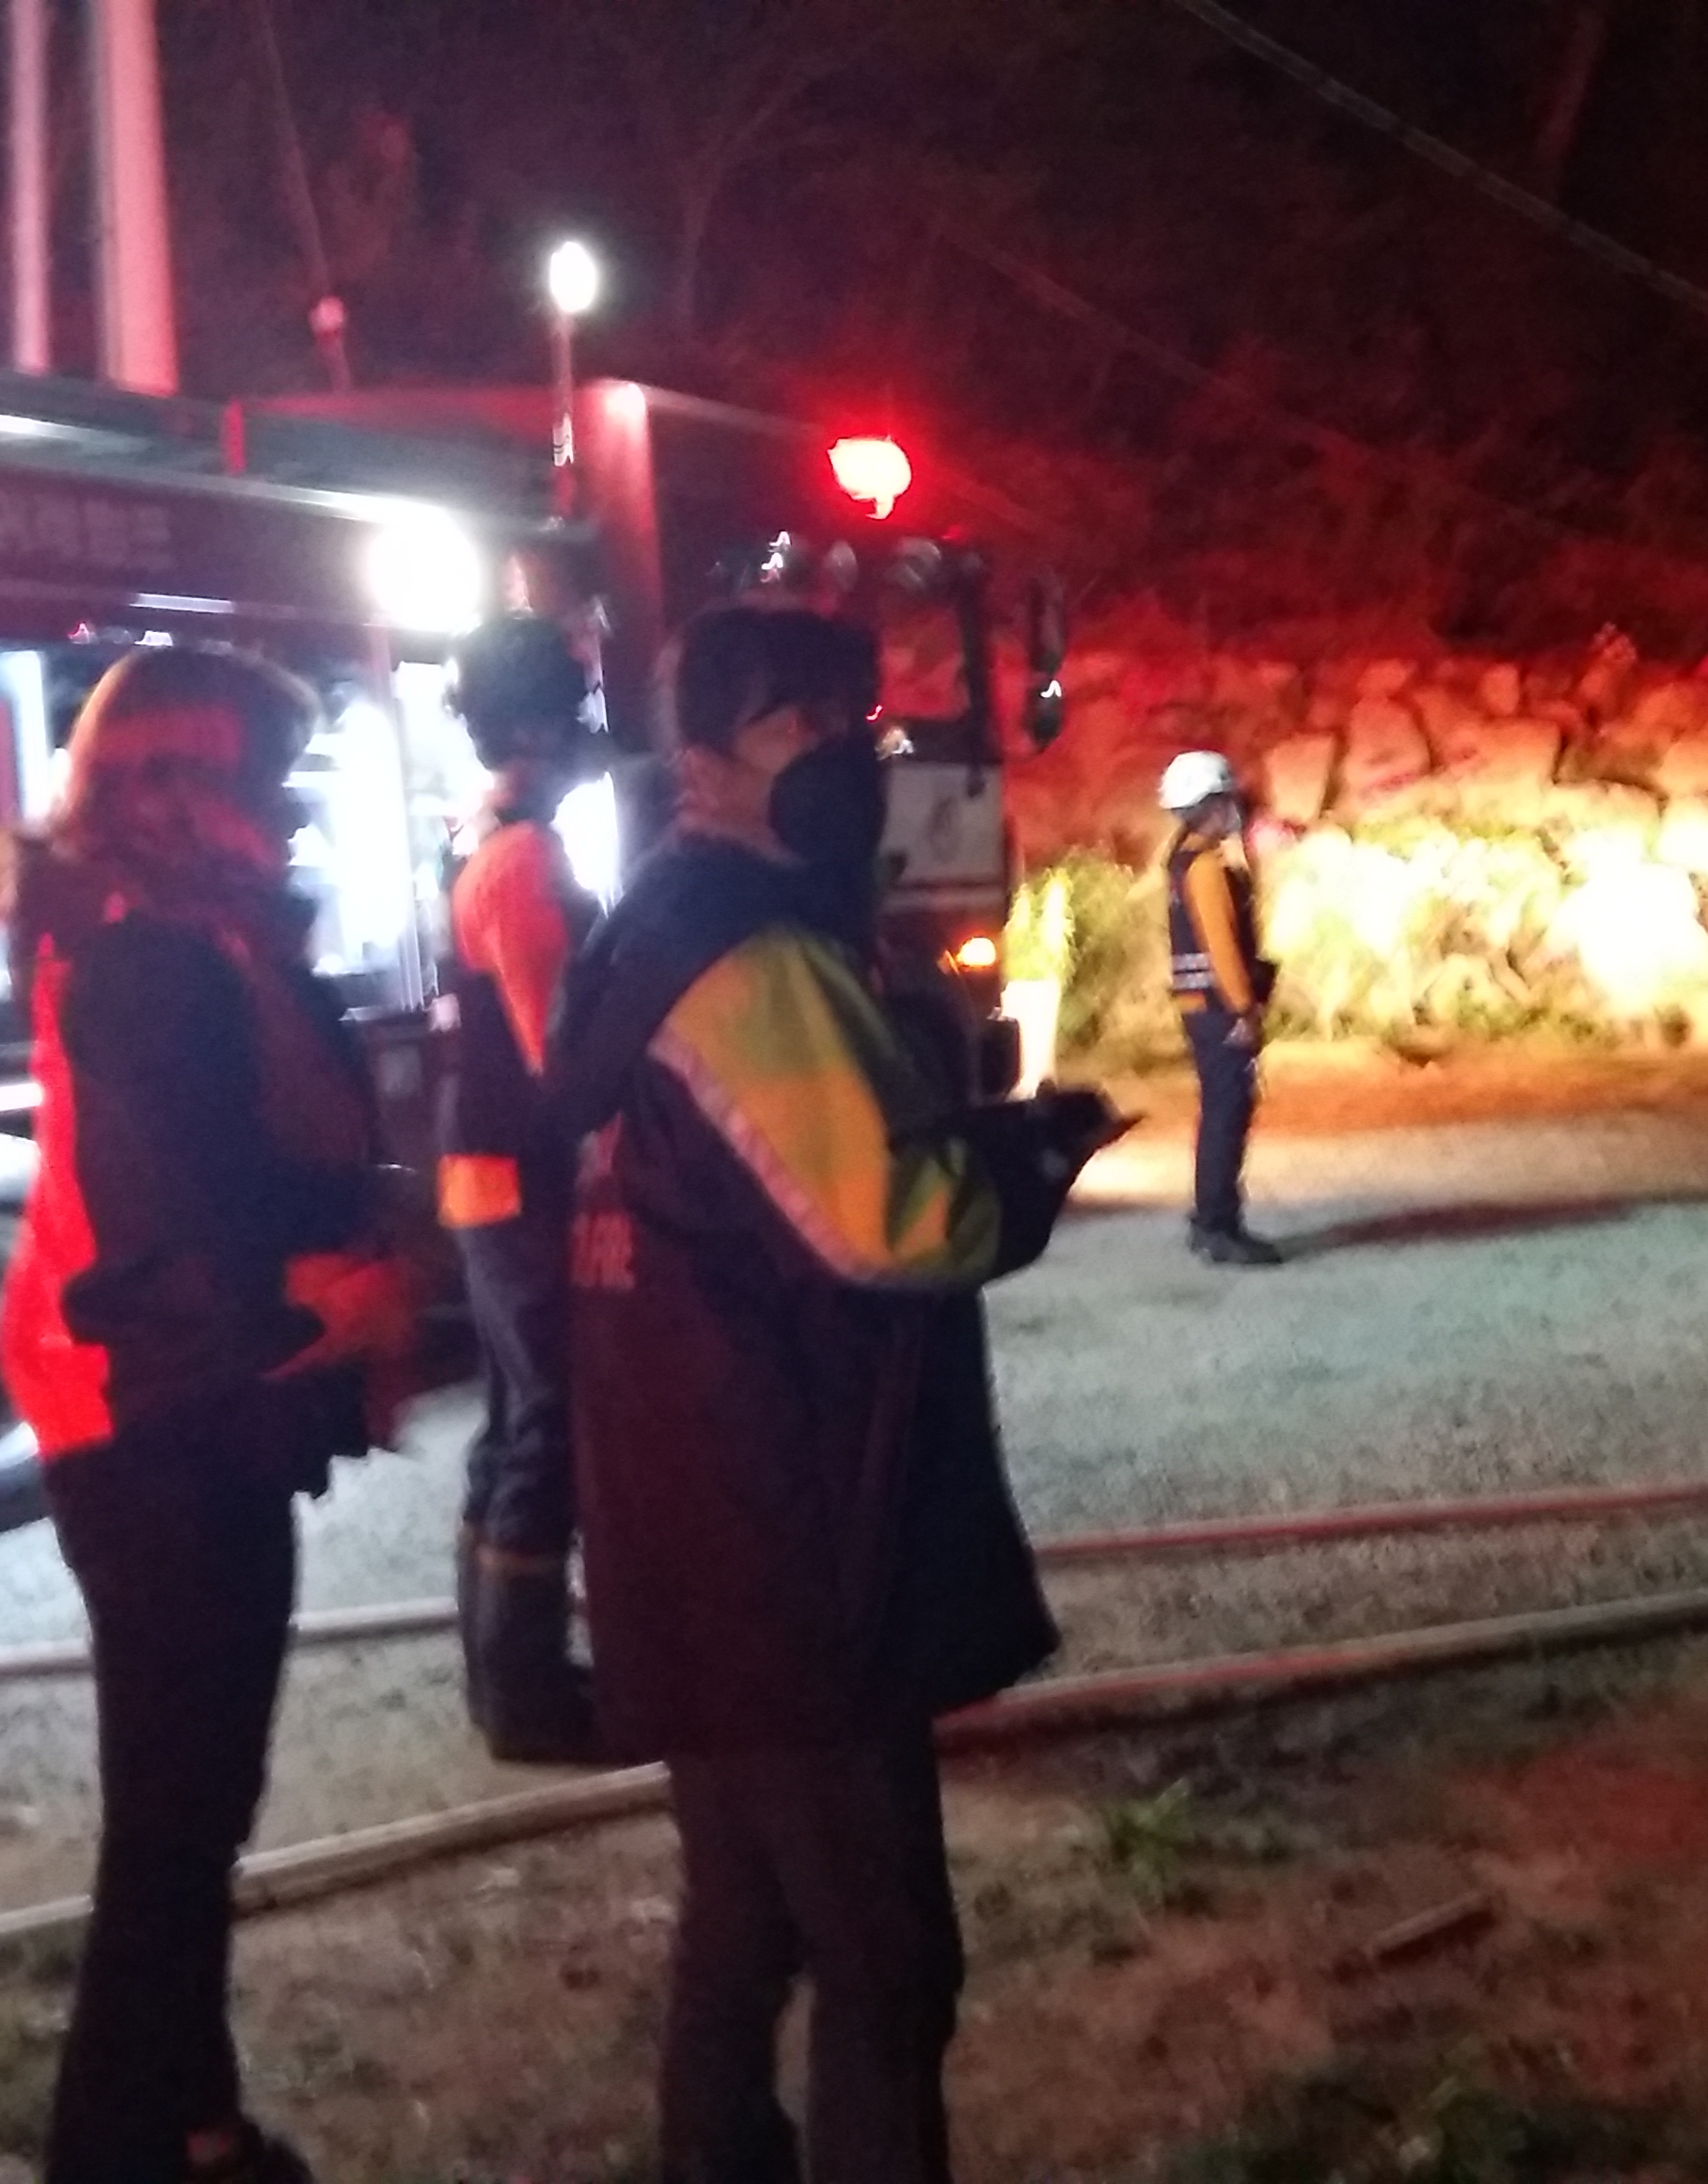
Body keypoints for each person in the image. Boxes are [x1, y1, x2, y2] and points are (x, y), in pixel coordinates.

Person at [543, 605, 1123, 2183]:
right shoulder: (754, 960)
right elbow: (890, 1221)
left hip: (681, 1514)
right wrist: (1031, 1156)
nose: (850, 756)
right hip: (794, 1534)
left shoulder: (644, 928)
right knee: (886, 1956)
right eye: (801, 726)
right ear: (701, 760)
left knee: (744, 1916)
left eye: (856, 721)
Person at [0, 648, 420, 2184]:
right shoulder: (147, 962)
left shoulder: (196, 940)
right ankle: (117, 2147)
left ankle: (193, 2125)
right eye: (268, 780)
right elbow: (183, 1211)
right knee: (176, 1814)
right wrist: (327, 1296)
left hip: (185, 1412)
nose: (291, 811)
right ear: (185, 786)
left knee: (197, 1803)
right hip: (154, 1421)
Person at [437, 616, 609, 1765]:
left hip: (484, 1170)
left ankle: (503, 1679)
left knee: (514, 1417)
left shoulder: (487, 839)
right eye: (578, 707)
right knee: (550, 1418)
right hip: (522, 1176)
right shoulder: (524, 860)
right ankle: (527, 1692)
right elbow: (564, 1053)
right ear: (542, 724)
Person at [1157, 751, 1281, 1266]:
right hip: (1219, 1010)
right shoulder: (1206, 868)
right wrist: (1244, 1010)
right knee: (1227, 1116)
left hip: (1201, 1007)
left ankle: (1211, 1221)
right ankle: (1217, 1225)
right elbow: (1222, 946)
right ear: (1209, 805)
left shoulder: (1181, 862)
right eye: (1227, 799)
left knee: (1218, 1112)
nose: (1236, 807)